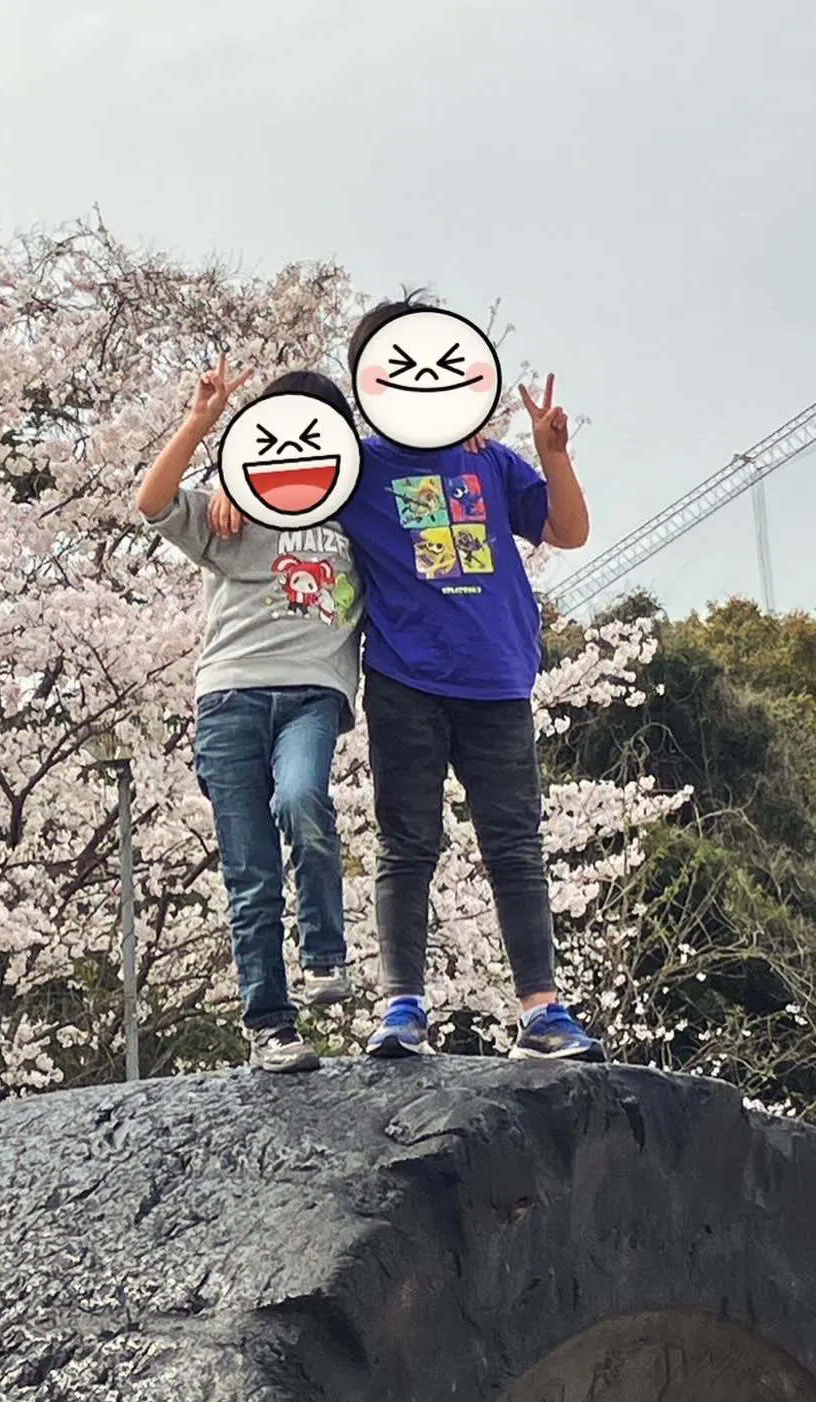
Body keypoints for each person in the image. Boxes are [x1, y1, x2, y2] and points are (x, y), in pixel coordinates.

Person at [208, 297, 605, 1062]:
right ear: (372, 382)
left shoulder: (488, 459)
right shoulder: (355, 467)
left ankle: (543, 1011)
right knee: (406, 844)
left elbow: (568, 530)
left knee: (515, 845)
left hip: (498, 676)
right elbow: (282, 485)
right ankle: (402, 1009)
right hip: (404, 678)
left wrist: (554, 452)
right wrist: (235, 484)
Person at [136, 357, 365, 1073]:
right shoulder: (230, 507)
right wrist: (202, 420)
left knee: (303, 799)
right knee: (251, 872)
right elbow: (150, 502)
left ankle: (325, 953)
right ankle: (271, 1024)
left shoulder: (354, 511)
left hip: (312, 690)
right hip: (230, 695)